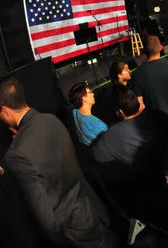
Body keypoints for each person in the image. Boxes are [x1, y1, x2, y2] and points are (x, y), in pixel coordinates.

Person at [0, 78, 116, 247]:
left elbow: (46, 218)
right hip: (91, 210)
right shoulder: (51, 120)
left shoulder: (15, 155)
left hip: (72, 232)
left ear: (5, 110)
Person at [93, 90, 168, 184]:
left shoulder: (111, 135)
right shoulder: (162, 114)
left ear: (120, 112)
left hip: (150, 182)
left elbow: (98, 156)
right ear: (139, 104)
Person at [133, 35, 168, 115]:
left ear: (143, 51)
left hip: (156, 121)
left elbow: (140, 105)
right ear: (161, 47)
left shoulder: (136, 74)